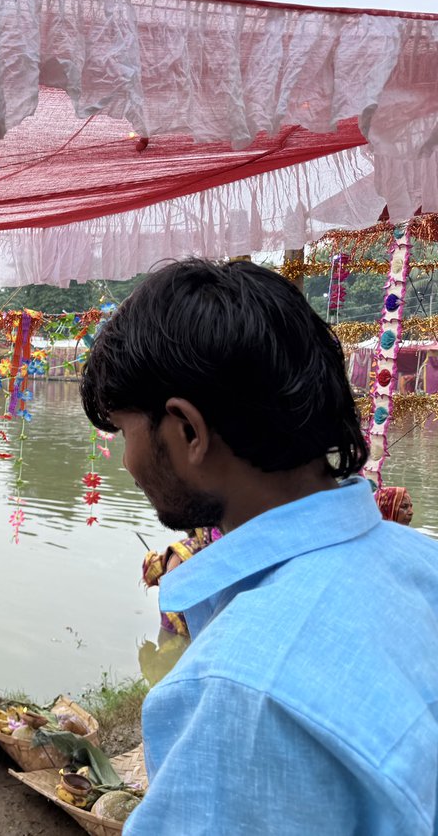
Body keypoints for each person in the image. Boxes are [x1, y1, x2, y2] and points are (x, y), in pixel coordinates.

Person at [81, 259, 438, 835]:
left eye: (126, 433)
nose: (126, 463)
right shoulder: (425, 565)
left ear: (187, 431)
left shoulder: (240, 693)